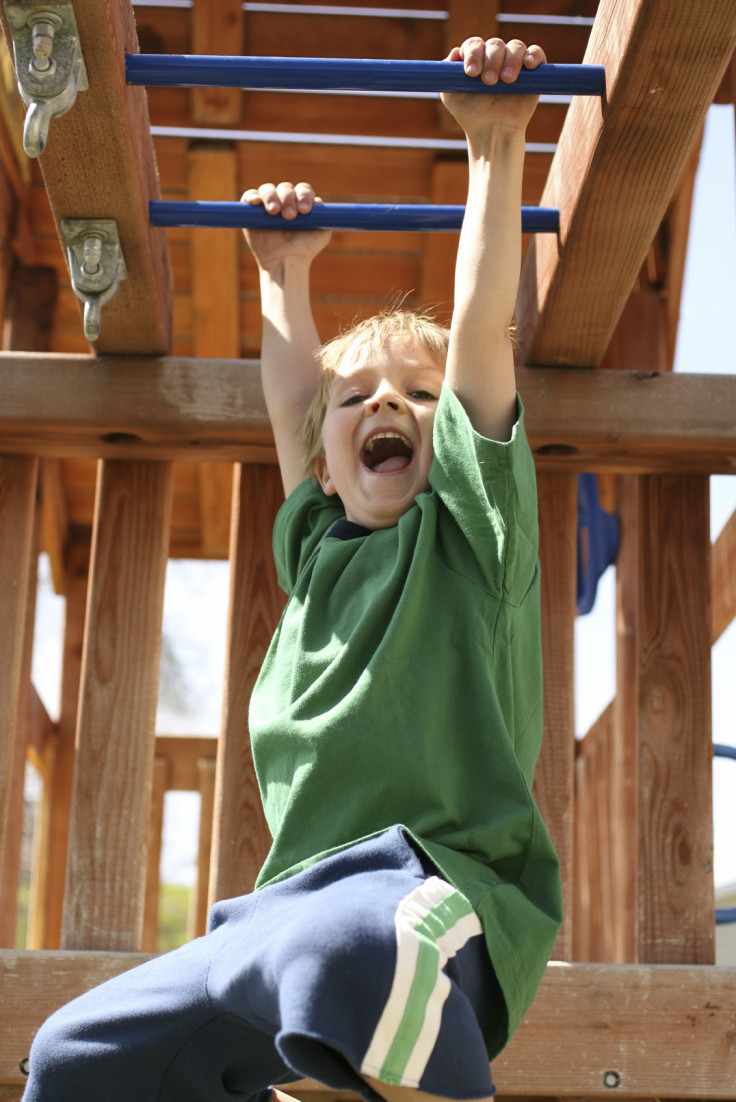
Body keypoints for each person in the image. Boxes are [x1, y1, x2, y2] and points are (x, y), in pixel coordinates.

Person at [22, 35, 561, 1102]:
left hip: (437, 894)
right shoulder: (316, 546)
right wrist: (282, 274)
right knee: (73, 1051)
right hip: (276, 913)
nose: (384, 405)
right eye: (356, 397)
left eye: (415, 390)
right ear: (324, 459)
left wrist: (495, 152)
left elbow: (481, 340)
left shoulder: (468, 532)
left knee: (350, 955)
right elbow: (291, 399)